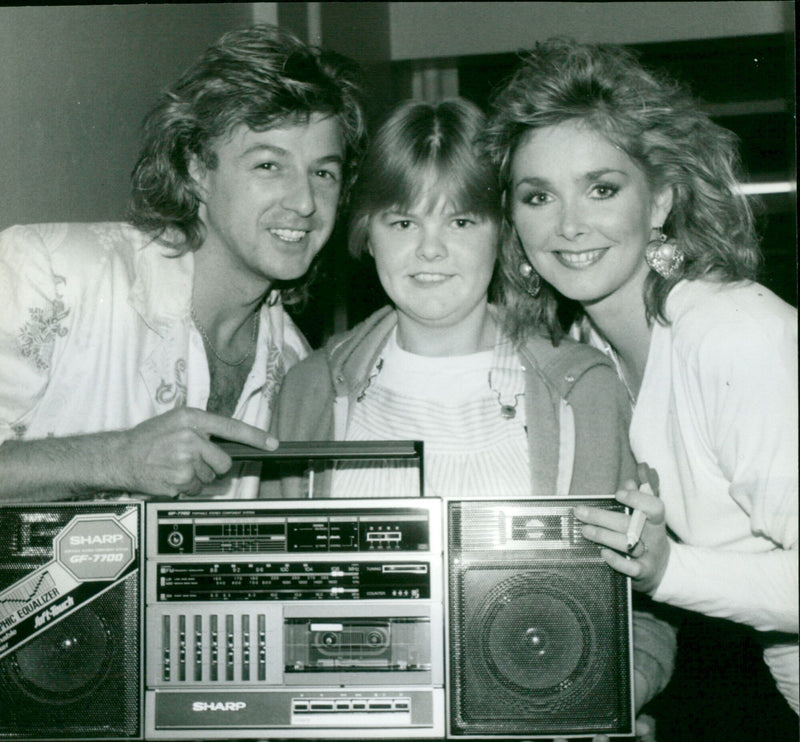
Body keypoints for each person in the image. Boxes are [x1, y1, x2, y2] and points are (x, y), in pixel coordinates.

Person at [264, 97, 676, 739]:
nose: (430, 250)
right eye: (402, 222)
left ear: (501, 231)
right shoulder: (308, 391)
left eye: (461, 219)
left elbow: (643, 609)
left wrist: (616, 695)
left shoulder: (584, 390)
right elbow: (269, 605)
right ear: (366, 232)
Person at [483, 37, 798, 717]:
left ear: (660, 200)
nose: (569, 225)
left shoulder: (731, 333)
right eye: (538, 196)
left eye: (601, 188)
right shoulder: (587, 348)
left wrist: (664, 569)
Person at [0, 24, 366, 502]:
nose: (304, 202)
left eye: (323, 172)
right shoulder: (50, 274)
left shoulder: (296, 366)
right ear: (196, 169)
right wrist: (117, 458)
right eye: (268, 165)